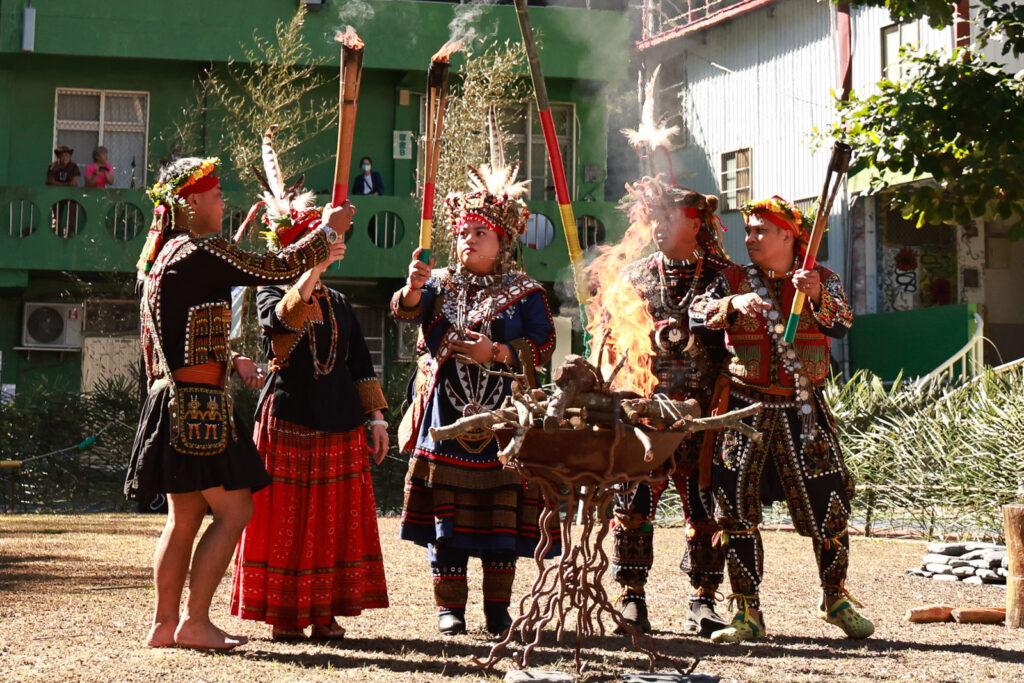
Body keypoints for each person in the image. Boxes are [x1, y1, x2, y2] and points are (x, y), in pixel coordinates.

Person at [124, 156, 351, 651]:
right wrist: (324, 235)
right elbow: (275, 265)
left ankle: (165, 624)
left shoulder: (163, 258)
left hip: (171, 401)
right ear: (191, 204)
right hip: (198, 408)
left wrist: (228, 359)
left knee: (183, 518)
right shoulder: (200, 251)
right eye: (217, 195)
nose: (223, 203)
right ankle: (195, 621)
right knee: (236, 511)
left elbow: (182, 336)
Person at [689, 195, 873, 643]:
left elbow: (843, 323)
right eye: (749, 231)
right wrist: (733, 304)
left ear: (788, 235)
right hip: (745, 410)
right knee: (735, 511)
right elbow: (696, 314)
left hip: (805, 410)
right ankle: (747, 612)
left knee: (831, 505)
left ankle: (835, 598)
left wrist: (815, 297)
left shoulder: (822, 279)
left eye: (760, 231)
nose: (750, 238)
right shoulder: (731, 278)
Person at [230, 139, 389, 642]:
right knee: (287, 520)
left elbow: (360, 364)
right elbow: (282, 328)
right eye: (315, 245)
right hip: (289, 419)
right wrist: (315, 264)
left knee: (331, 521)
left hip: (340, 422)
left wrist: (378, 418)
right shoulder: (271, 292)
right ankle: (283, 614)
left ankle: (324, 612)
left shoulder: (340, 302)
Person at [392, 162, 556, 637]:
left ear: (503, 240)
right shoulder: (437, 284)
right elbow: (406, 312)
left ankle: (498, 608)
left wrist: (500, 351)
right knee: (449, 520)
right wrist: (413, 286)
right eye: (463, 232)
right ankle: (450, 609)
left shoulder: (525, 293)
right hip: (446, 415)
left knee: (500, 521)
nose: (469, 240)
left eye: (480, 232)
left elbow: (544, 343)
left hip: (502, 419)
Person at [596, 178, 730, 637]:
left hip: (705, 415)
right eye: (654, 218)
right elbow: (612, 344)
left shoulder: (723, 277)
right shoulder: (633, 277)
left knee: (706, 507)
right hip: (646, 415)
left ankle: (705, 600)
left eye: (670, 218)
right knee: (632, 504)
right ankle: (631, 597)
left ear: (696, 223)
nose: (658, 227)